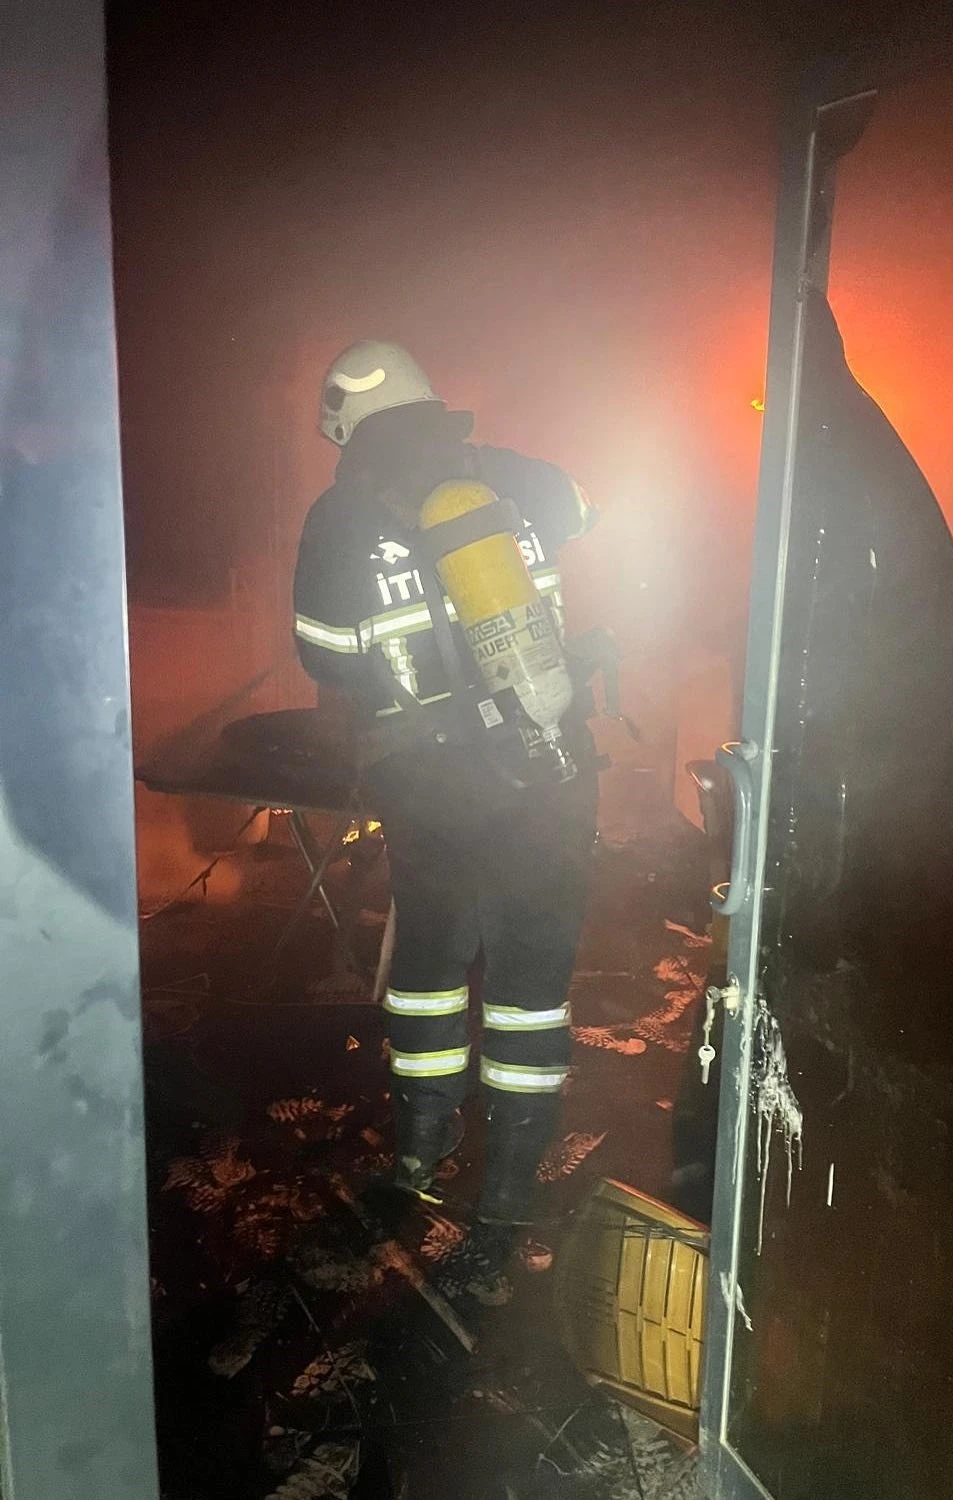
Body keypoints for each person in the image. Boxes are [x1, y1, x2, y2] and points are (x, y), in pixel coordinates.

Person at [293, 340, 599, 1228]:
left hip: (431, 785)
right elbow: (587, 509)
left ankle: (422, 1151)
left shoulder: (339, 516)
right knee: (532, 977)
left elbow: (324, 654)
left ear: (347, 424)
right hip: (549, 762)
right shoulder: (509, 474)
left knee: (429, 967)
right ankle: (511, 1184)